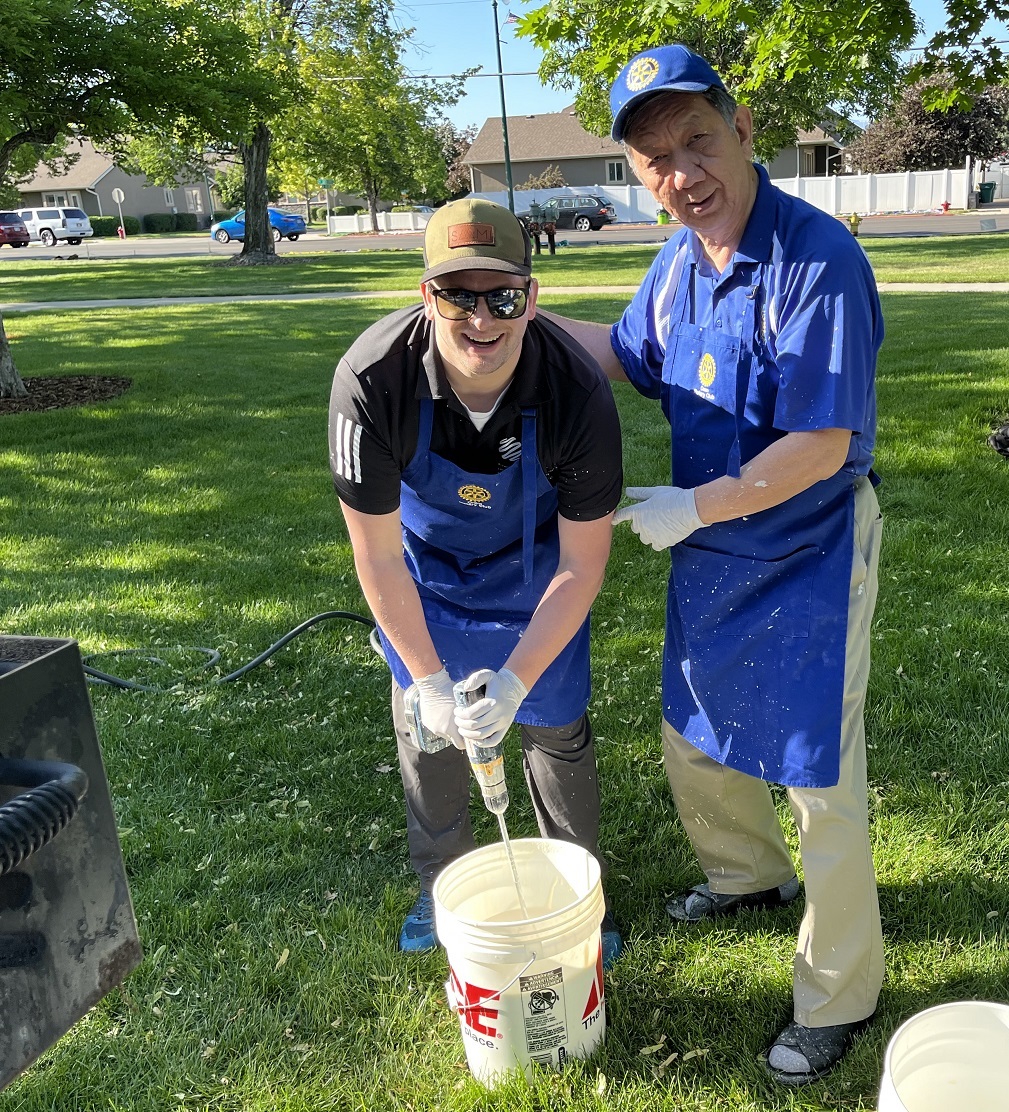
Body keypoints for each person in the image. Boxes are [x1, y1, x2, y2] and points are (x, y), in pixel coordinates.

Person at [540, 44, 884, 1084]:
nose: (679, 170)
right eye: (653, 155)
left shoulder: (814, 258)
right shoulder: (677, 260)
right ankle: (744, 876)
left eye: (694, 138)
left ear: (739, 127)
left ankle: (842, 992)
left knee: (818, 778)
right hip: (710, 543)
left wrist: (693, 503)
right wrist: (500, 319)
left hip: (810, 544)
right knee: (694, 736)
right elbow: (621, 355)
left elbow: (821, 442)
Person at [328, 198, 624, 966]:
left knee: (555, 727)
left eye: (502, 296)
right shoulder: (370, 381)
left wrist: (519, 680)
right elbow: (378, 556)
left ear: (532, 296)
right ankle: (443, 887)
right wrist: (428, 680)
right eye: (456, 295)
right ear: (425, 298)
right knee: (429, 734)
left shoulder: (575, 392)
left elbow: (581, 563)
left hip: (538, 573)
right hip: (424, 573)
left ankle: (576, 891)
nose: (480, 320)